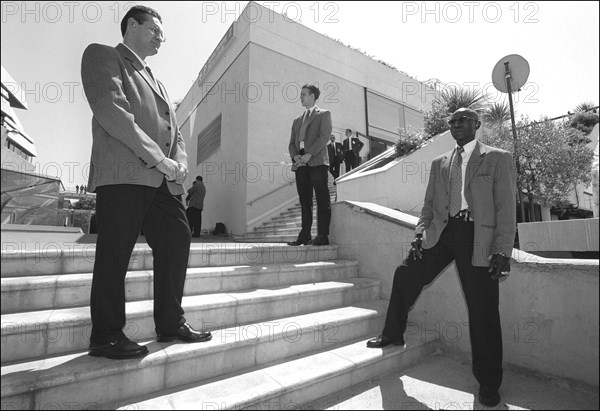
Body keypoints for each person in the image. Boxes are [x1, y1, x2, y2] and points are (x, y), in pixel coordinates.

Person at [81, 5, 211, 360]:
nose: (160, 37)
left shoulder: (157, 79)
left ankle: (170, 323)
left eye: (162, 32)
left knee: (177, 236)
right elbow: (112, 111)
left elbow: (176, 132)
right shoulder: (102, 55)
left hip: (162, 181)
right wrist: (159, 158)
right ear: (132, 25)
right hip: (124, 174)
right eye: (154, 29)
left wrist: (180, 165)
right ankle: (106, 335)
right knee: (115, 250)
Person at [366, 108, 516, 407]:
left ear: (477, 124)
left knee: (483, 310)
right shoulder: (440, 162)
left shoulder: (498, 157)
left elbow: (506, 207)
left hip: (478, 237)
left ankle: (489, 383)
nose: (455, 125)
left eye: (462, 120)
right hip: (442, 233)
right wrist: (420, 233)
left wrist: (502, 250)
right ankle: (394, 333)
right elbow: (429, 203)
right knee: (405, 273)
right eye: (451, 122)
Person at [287, 84, 332, 246]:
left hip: (317, 162)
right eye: (301, 95)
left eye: (304, 94)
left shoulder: (324, 114)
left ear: (313, 96)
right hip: (300, 165)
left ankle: (322, 235)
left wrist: (309, 154)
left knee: (322, 199)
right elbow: (292, 143)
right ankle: (304, 235)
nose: (301, 97)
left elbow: (324, 137)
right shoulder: (297, 121)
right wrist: (296, 157)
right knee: (304, 201)